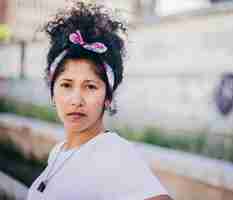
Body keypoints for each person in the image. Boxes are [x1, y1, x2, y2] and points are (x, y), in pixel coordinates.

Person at [27, 1, 173, 200]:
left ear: (108, 98)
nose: (76, 100)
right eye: (67, 85)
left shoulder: (114, 153)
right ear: (53, 92)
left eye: (90, 87)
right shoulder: (59, 151)